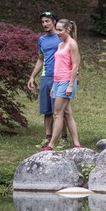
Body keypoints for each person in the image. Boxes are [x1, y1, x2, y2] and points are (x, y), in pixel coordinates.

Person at [27, 11, 69, 149]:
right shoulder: (42, 40)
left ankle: (63, 138)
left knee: (60, 110)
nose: (45, 24)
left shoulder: (61, 37)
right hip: (46, 77)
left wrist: (75, 76)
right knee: (47, 110)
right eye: (43, 22)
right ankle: (48, 137)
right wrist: (32, 76)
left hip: (61, 77)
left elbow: (72, 56)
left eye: (47, 21)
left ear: (54, 22)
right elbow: (40, 59)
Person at [39, 19, 82, 151]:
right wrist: (54, 85)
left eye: (60, 30)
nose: (57, 33)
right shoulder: (60, 45)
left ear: (68, 30)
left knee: (57, 113)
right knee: (68, 113)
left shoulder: (72, 44)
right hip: (57, 82)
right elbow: (58, 66)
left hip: (66, 82)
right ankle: (77, 144)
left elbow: (75, 65)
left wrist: (70, 85)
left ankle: (51, 145)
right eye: (56, 29)